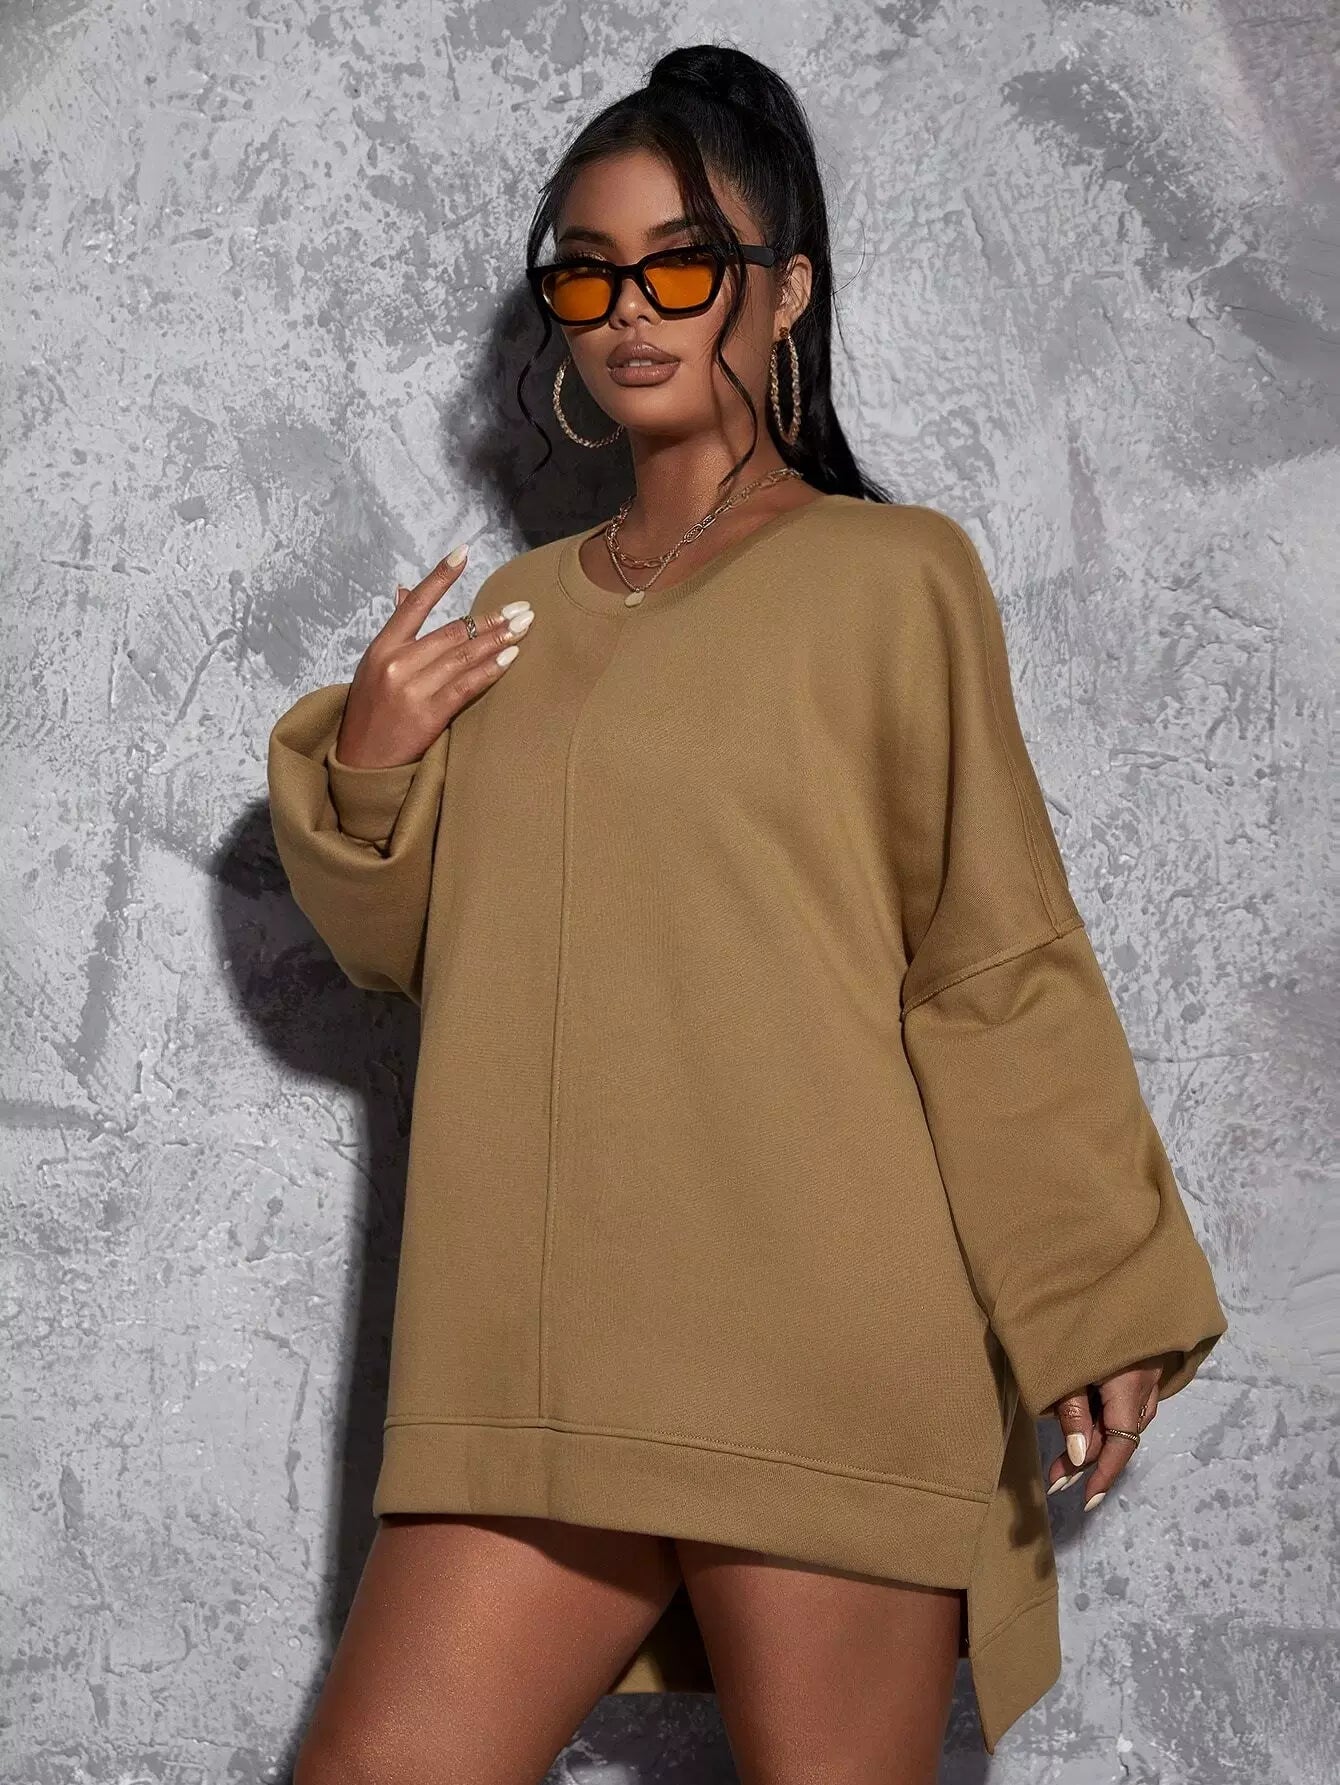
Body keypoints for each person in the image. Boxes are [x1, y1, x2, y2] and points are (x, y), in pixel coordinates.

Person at [267, 43, 1228, 1785]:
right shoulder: (514, 618)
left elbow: (989, 959)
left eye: (682, 264)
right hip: (534, 1358)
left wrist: (1095, 1295)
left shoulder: (894, 575)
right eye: (586, 272)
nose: (628, 310)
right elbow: (423, 962)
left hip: (822, 1349)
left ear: (785, 292)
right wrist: (379, 765)